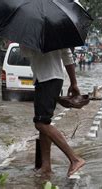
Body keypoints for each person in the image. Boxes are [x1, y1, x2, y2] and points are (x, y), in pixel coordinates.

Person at [20, 46, 85, 178]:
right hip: (48, 79)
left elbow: (26, 53)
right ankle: (46, 166)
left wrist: (24, 43)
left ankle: (75, 159)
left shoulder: (33, 34)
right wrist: (73, 82)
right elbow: (67, 55)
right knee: (44, 123)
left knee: (40, 123)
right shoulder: (57, 32)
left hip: (47, 80)